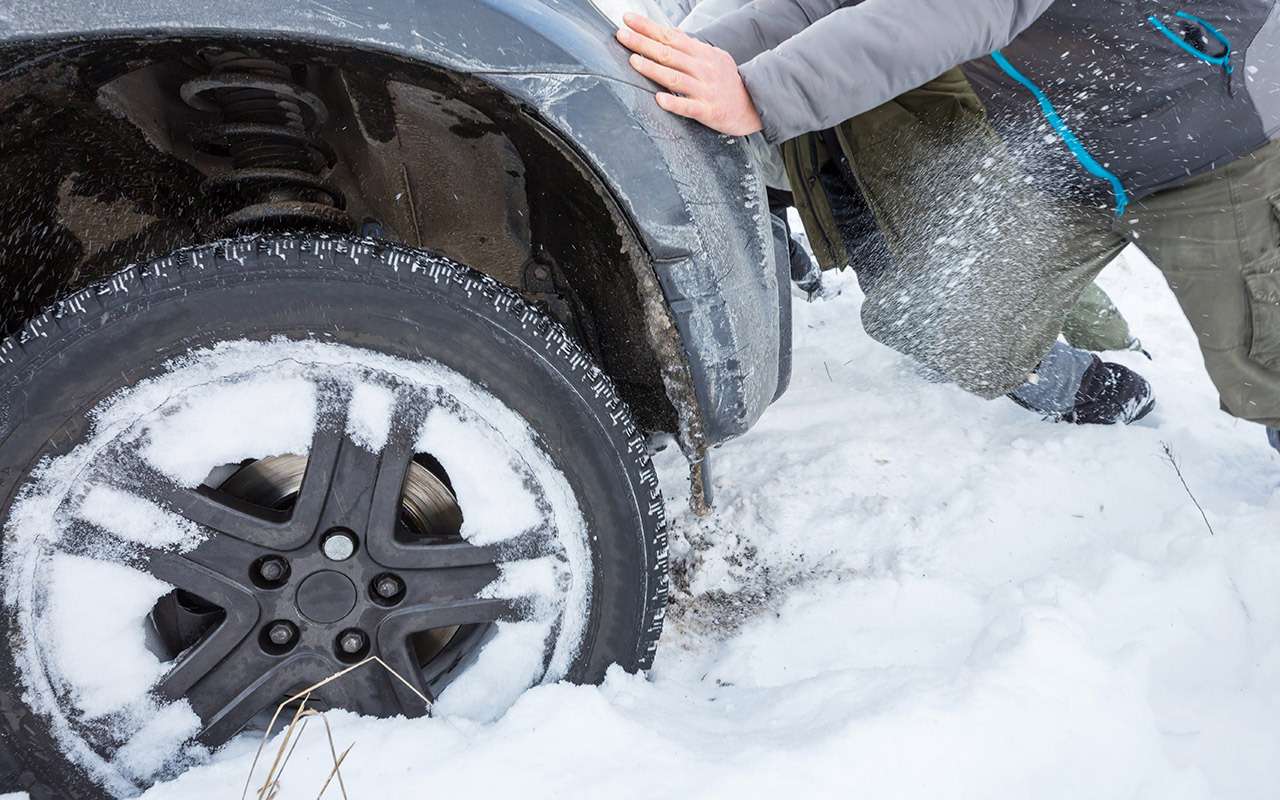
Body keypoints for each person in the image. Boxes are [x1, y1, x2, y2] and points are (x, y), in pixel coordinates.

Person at [615, 3, 1280, 450]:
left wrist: (760, 93)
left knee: (1260, 351)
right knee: (936, 317)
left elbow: (948, 9)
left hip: (1209, 142)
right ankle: (1065, 380)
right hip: (1057, 144)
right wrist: (658, 71)